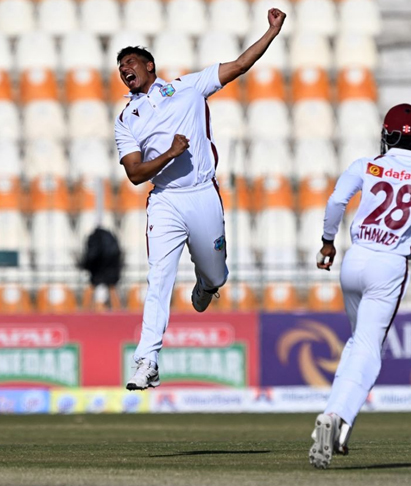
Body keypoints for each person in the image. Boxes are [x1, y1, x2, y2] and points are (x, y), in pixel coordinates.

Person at [115, 9, 287, 390]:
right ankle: (147, 359)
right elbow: (135, 174)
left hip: (202, 194)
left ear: (149, 66)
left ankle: (207, 285)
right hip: (166, 201)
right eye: (120, 67)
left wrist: (271, 32)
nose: (125, 69)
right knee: (158, 277)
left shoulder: (187, 86)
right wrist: (169, 155)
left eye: (130, 62)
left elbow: (241, 64)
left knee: (215, 272)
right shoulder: (127, 118)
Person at [309, 104, 411, 469]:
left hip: (354, 259)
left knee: (357, 343)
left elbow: (338, 200)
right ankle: (337, 417)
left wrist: (327, 241)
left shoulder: (367, 164)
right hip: (388, 264)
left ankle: (336, 421)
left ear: (386, 135)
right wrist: (405, 248)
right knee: (369, 349)